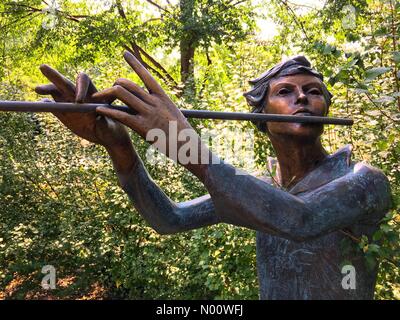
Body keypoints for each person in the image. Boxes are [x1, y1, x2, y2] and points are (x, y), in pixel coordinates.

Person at [35, 52, 391, 300]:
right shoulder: (257, 187)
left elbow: (301, 219)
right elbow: (169, 218)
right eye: (285, 92)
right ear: (260, 117)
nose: (303, 98)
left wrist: (189, 148)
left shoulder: (363, 179)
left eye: (314, 92)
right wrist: (118, 146)